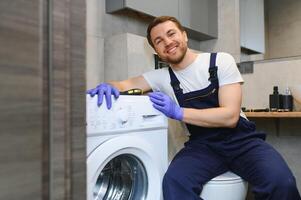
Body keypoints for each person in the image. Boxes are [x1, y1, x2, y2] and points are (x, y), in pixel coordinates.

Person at [87, 16, 301, 200]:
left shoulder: (220, 61)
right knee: (174, 183)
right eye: (159, 41)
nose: (167, 42)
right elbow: (126, 84)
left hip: (242, 141)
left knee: (281, 183)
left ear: (184, 35)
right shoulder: (161, 77)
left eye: (171, 34)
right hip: (203, 146)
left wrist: (179, 112)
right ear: (158, 52)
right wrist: (108, 86)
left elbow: (230, 116)